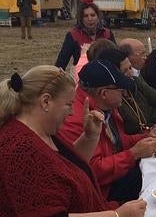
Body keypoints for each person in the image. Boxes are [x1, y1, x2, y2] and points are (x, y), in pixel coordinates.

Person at [0, 65, 146, 216]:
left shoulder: (44, 132)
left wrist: (90, 137)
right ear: (46, 102)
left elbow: (69, 167)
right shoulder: (21, 149)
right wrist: (116, 215)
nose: (71, 112)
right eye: (68, 104)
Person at [58, 60, 156, 202]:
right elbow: (93, 171)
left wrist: (144, 136)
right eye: (120, 89)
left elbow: (117, 142)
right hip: (101, 194)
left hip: (112, 181)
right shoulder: (76, 119)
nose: (124, 93)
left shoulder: (106, 107)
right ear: (104, 93)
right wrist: (134, 154)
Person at [98, 48, 156, 135]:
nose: (130, 73)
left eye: (130, 68)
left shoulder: (135, 82)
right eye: (124, 71)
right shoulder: (113, 97)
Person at [55, 2, 116, 70]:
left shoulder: (107, 34)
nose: (90, 19)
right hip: (81, 76)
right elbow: (61, 63)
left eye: (93, 15)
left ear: (98, 17)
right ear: (81, 19)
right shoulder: (73, 35)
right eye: (86, 16)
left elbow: (117, 59)